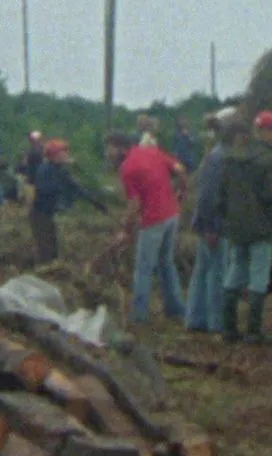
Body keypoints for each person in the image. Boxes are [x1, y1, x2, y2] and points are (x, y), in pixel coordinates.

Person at [218, 113, 272, 345]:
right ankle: (253, 332)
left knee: (234, 271)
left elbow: (222, 194)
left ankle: (228, 329)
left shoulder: (230, 157)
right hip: (260, 226)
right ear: (266, 131)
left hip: (236, 227)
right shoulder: (267, 159)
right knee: (258, 276)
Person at [106, 132, 187, 324]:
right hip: (172, 215)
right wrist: (182, 192)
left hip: (153, 220)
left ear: (120, 148)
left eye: (109, 148)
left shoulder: (127, 168)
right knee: (166, 263)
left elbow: (134, 203)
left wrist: (125, 230)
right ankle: (175, 309)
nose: (107, 153)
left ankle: (139, 316)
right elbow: (180, 169)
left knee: (143, 268)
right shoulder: (152, 152)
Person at [185, 116, 230, 334]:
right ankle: (215, 323)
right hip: (215, 224)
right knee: (216, 272)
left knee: (204, 270)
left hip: (209, 223)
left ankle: (195, 319)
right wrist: (210, 227)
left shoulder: (216, 156)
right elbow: (208, 196)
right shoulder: (219, 158)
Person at [30, 139, 107, 264]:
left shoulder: (61, 170)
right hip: (40, 214)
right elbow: (43, 188)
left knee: (53, 246)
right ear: (54, 155)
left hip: (49, 213)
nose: (66, 155)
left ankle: (50, 268)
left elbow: (77, 189)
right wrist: (61, 187)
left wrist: (96, 203)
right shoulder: (44, 169)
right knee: (45, 248)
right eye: (63, 152)